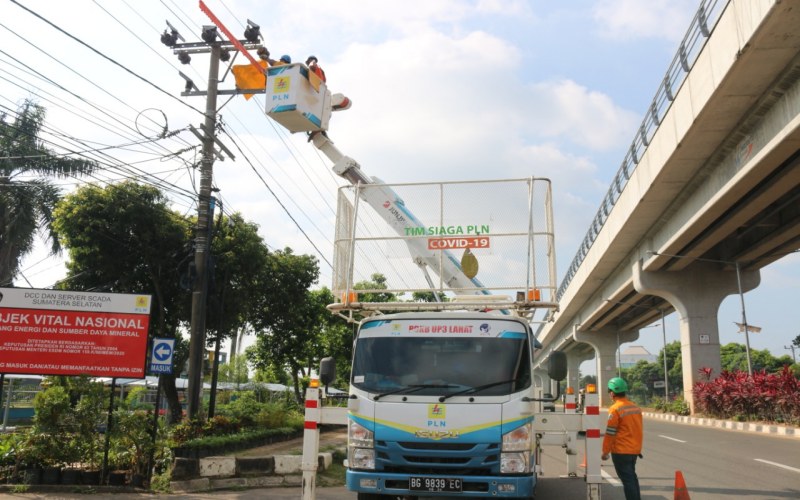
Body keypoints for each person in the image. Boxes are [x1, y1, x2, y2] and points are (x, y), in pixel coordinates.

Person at [602, 377, 643, 500]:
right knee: (632, 478)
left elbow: (610, 433)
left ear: (612, 393)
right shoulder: (635, 407)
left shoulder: (615, 409)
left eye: (609, 391)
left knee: (628, 480)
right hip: (634, 450)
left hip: (621, 451)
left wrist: (605, 451)